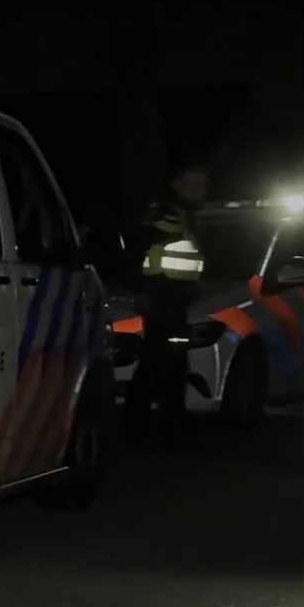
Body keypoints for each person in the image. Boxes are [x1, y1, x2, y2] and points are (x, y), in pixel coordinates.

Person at [124, 163, 209, 445]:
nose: (203, 189)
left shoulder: (184, 216)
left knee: (169, 359)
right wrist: (145, 290)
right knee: (160, 359)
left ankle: (163, 419)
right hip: (163, 298)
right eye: (196, 183)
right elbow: (141, 249)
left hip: (173, 298)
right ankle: (150, 422)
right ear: (179, 185)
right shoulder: (167, 213)